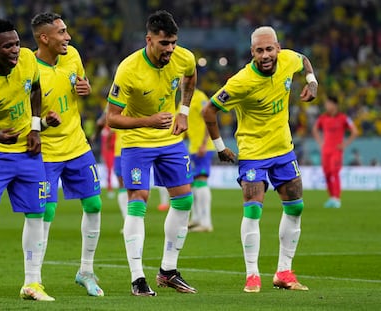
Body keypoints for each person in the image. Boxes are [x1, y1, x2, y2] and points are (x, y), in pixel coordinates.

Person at [203, 26, 318, 293]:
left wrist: (312, 81)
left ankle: (283, 272)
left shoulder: (289, 59)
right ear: (251, 52)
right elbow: (209, 111)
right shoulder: (241, 82)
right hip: (254, 152)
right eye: (259, 51)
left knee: (295, 207)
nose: (265, 55)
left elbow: (304, 60)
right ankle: (252, 274)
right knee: (253, 209)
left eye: (269, 49)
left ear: (278, 48)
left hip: (283, 149)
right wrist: (220, 147)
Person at [106, 10, 197, 296]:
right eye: (164, 43)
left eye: (173, 42)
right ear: (149, 40)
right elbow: (112, 118)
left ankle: (168, 271)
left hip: (169, 140)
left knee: (184, 199)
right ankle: (137, 278)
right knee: (139, 200)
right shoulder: (128, 69)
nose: (170, 49)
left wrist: (183, 112)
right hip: (136, 141)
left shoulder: (184, 57)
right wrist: (148, 121)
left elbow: (191, 78)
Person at [0, 19, 55, 305]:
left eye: (17, 43)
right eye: (8, 46)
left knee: (36, 216)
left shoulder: (28, 59)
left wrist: (35, 127)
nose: (16, 50)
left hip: (29, 155)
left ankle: (32, 282)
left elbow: (36, 90)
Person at [30, 12, 104, 297]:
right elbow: (26, 115)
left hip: (77, 145)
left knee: (95, 204)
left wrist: (83, 88)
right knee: (46, 210)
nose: (68, 37)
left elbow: (79, 84)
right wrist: (42, 123)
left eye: (66, 31)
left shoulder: (72, 54)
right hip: (46, 151)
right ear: (44, 38)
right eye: (61, 32)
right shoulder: (29, 68)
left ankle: (86, 270)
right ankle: (34, 278)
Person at [312, 96, 358, 208]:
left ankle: (337, 198)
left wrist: (345, 144)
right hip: (325, 150)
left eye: (328, 104)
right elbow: (315, 129)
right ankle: (331, 197)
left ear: (335, 105)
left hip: (336, 151)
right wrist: (320, 142)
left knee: (334, 172)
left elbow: (355, 131)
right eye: (326, 104)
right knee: (327, 174)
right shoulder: (323, 118)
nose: (327, 106)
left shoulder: (343, 118)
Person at [185, 88, 215, 232]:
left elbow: (209, 117)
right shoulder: (184, 99)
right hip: (192, 147)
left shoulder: (199, 96)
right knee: (194, 183)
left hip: (203, 147)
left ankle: (206, 223)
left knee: (201, 180)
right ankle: (197, 219)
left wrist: (204, 143)